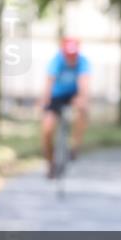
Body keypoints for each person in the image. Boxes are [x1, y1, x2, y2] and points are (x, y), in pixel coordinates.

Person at [41, 37, 91, 178]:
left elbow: (84, 83)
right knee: (47, 128)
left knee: (83, 109)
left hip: (73, 95)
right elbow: (49, 83)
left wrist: (82, 98)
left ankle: (75, 146)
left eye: (73, 55)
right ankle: (50, 163)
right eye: (68, 55)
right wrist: (45, 101)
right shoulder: (56, 61)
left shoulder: (83, 62)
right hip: (56, 96)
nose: (71, 58)